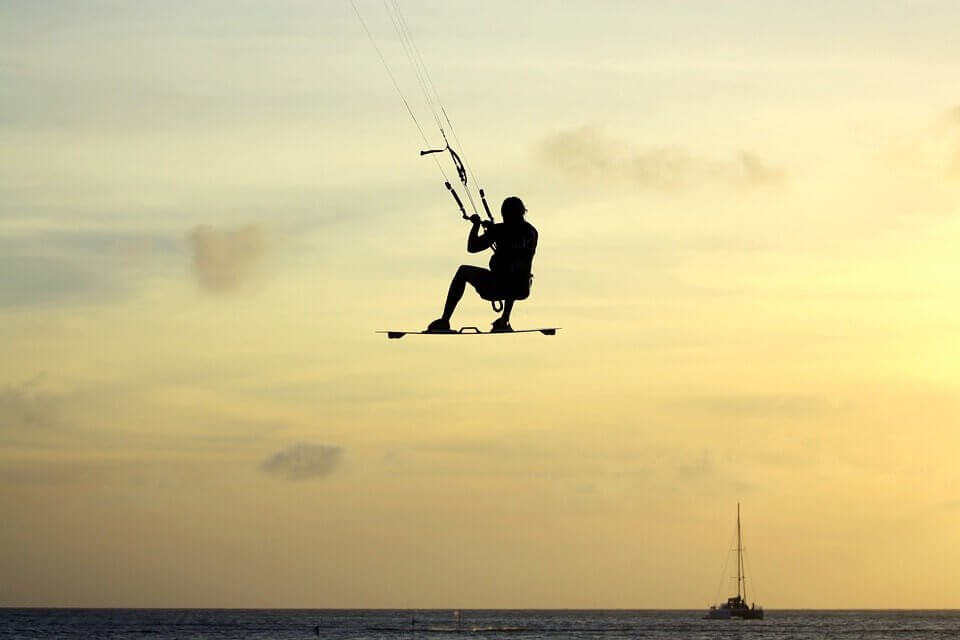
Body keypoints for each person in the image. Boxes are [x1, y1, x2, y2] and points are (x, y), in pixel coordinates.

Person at [427, 196, 537, 333]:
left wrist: (476, 226)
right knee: (515, 276)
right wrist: (494, 231)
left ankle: (445, 320)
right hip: (521, 288)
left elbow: (472, 247)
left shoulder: (500, 230)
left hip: (497, 286)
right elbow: (515, 247)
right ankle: (504, 320)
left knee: (463, 271)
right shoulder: (532, 232)